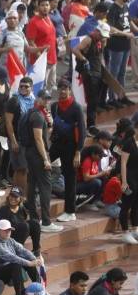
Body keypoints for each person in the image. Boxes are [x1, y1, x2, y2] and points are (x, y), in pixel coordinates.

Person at [22, 89, 64, 232]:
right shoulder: (38, 116)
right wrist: (45, 159)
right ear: (38, 99)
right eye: (44, 99)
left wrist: (50, 125)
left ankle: (34, 219)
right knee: (45, 187)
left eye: (48, 99)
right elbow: (38, 139)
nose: (47, 101)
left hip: (30, 153)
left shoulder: (33, 113)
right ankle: (46, 222)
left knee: (32, 185)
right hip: (38, 155)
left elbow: (43, 135)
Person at [51, 79, 86, 223]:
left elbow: (82, 131)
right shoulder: (54, 107)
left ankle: (70, 211)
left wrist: (78, 151)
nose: (62, 91)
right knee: (42, 163)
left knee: (70, 179)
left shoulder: (76, 108)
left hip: (71, 148)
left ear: (70, 90)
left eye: (65, 89)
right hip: (57, 144)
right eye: (60, 88)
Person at [0, 219, 41, 295]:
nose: (8, 232)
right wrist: (29, 263)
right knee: (16, 264)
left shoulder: (10, 240)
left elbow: (22, 250)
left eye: (9, 230)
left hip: (7, 269)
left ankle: (39, 289)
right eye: (5, 230)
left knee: (25, 259)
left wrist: (35, 259)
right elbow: (11, 257)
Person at [0, 186, 41, 256]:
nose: (13, 199)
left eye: (16, 197)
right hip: (8, 236)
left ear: (20, 198)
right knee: (24, 226)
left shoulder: (21, 208)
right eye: (11, 196)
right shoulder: (3, 209)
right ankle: (18, 251)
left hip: (21, 233)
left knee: (35, 223)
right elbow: (1, 230)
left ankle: (36, 251)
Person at [26, 0, 57, 90]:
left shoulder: (48, 18)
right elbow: (30, 41)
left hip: (52, 59)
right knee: (39, 89)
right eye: (42, 5)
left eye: (47, 5)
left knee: (50, 88)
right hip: (41, 61)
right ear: (38, 7)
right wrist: (40, 57)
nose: (45, 7)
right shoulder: (33, 22)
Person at [120, 117, 138, 244]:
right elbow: (123, 163)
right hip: (129, 175)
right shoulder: (128, 142)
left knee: (136, 203)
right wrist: (124, 181)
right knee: (127, 203)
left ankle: (135, 229)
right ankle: (125, 232)